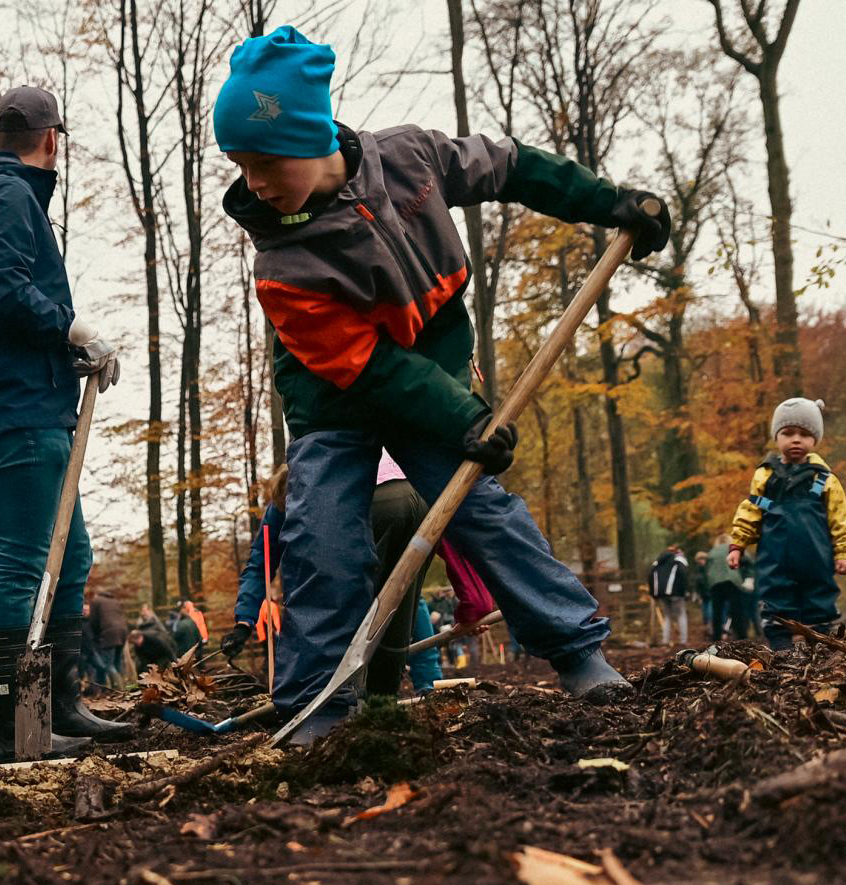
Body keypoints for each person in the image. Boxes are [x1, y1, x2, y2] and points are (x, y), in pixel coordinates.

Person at [214, 26, 669, 739]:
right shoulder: (283, 265)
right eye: (240, 165)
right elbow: (367, 369)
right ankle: (317, 705)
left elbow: (509, 167)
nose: (254, 183)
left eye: (265, 162)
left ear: (312, 138)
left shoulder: (411, 160)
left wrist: (607, 202)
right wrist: (465, 414)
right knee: (324, 542)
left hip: (432, 369)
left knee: (483, 511)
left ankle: (579, 653)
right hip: (336, 401)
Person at [0, 86, 129, 760]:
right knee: (24, 562)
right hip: (13, 408)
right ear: (52, 139)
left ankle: (60, 706)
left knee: (70, 556)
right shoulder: (11, 195)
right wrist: (72, 324)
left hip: (29, 400)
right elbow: (1, 292)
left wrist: (64, 348)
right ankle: (13, 728)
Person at [223, 456, 493, 699]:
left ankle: (351, 697)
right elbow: (262, 563)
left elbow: (310, 580)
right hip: (418, 501)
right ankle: (392, 696)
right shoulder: (304, 493)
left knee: (359, 604)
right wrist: (244, 621)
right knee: (401, 594)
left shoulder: (323, 494)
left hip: (380, 508)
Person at [728, 398, 846, 650]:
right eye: (788, 433)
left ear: (815, 439)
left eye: (804, 434)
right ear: (776, 437)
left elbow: (839, 519)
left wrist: (842, 552)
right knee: (775, 603)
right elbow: (751, 511)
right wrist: (738, 544)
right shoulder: (766, 476)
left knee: (819, 602)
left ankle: (821, 648)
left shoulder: (823, 478)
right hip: (774, 558)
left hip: (816, 557)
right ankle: (781, 649)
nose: (796, 439)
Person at [706, 533, 747, 640]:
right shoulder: (733, 549)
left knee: (717, 612)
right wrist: (747, 578)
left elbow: (707, 570)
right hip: (733, 582)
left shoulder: (712, 552)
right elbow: (748, 561)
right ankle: (741, 638)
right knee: (737, 611)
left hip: (715, 583)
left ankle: (716, 639)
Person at [649, 543, 689, 645]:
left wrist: (653, 593)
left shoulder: (657, 562)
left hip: (662, 593)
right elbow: (684, 575)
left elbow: (650, 576)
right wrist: (685, 591)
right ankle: (683, 641)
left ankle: (665, 640)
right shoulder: (678, 560)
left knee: (667, 616)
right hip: (677, 593)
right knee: (681, 615)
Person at [90, 590, 129, 690]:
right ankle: (124, 686)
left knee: (108, 664)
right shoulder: (116, 601)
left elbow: (93, 621)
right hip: (123, 632)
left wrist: (96, 636)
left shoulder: (96, 600)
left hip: (109, 633)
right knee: (117, 662)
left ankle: (120, 689)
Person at [692, 550, 712, 631]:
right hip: (703, 593)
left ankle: (710, 626)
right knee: (705, 610)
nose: (702, 561)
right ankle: (707, 625)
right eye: (700, 559)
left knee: (710, 610)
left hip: (710, 592)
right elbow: (696, 582)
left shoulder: (710, 567)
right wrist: (697, 593)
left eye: (703, 559)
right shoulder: (698, 569)